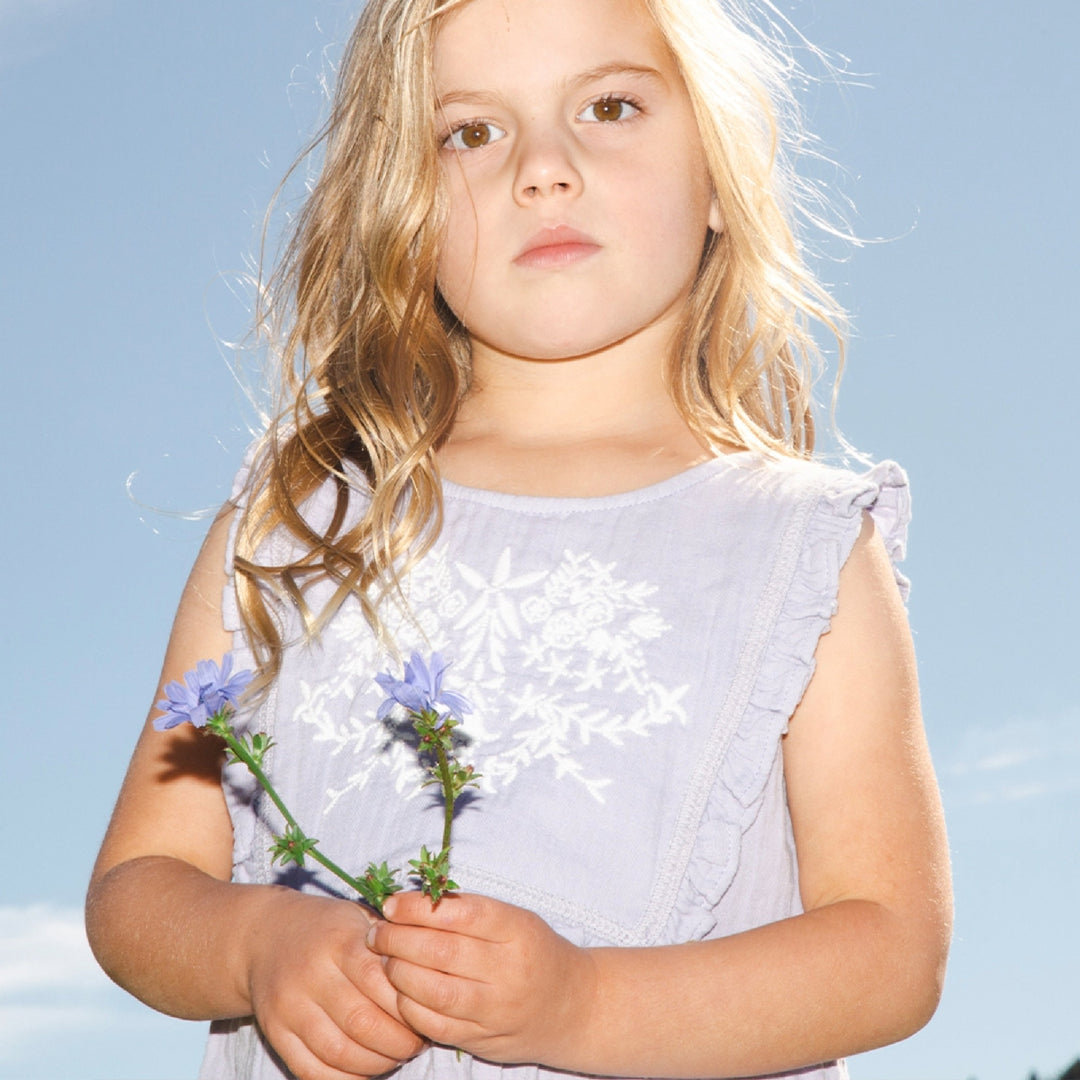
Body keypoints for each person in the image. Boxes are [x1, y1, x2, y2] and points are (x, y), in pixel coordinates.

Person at [85, 0, 952, 1077]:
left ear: (720, 169)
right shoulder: (291, 530)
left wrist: (587, 1006)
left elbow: (890, 951)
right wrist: (255, 944)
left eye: (610, 106)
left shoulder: (802, 551)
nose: (543, 167)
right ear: (402, 202)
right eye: (470, 133)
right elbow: (138, 887)